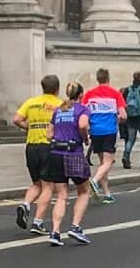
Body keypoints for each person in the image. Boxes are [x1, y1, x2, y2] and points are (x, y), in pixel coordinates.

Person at [35, 82, 93, 246]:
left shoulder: (59, 109)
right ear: (80, 95)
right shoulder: (82, 109)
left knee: (61, 194)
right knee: (83, 191)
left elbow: (48, 135)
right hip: (73, 153)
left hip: (56, 154)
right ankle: (75, 226)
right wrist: (85, 138)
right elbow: (82, 125)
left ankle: (55, 232)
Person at [12, 75, 63, 234]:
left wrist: (30, 127)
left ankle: (25, 204)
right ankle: (38, 222)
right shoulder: (60, 104)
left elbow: (16, 119)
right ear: (57, 89)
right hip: (49, 147)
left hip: (31, 146)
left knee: (37, 183)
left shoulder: (31, 102)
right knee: (49, 186)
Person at [82, 68, 127, 204]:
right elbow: (124, 115)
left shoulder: (89, 94)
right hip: (109, 131)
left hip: (95, 131)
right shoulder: (115, 93)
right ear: (108, 78)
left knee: (103, 164)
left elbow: (84, 113)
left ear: (97, 79)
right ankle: (95, 182)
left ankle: (107, 194)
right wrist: (118, 119)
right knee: (108, 162)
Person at [122, 70, 140, 169]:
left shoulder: (128, 89)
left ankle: (126, 156)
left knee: (130, 139)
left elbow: (123, 103)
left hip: (131, 118)